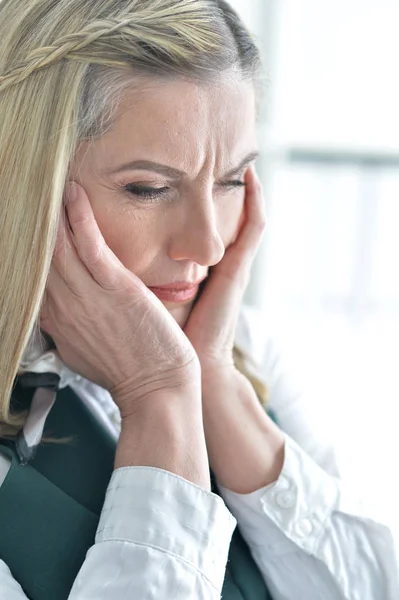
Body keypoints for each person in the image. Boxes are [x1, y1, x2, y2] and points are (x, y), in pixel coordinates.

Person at [0, 0, 398, 598]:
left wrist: (210, 378)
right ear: (24, 180)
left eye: (232, 181)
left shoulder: (248, 348)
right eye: (149, 188)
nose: (208, 244)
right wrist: (158, 396)